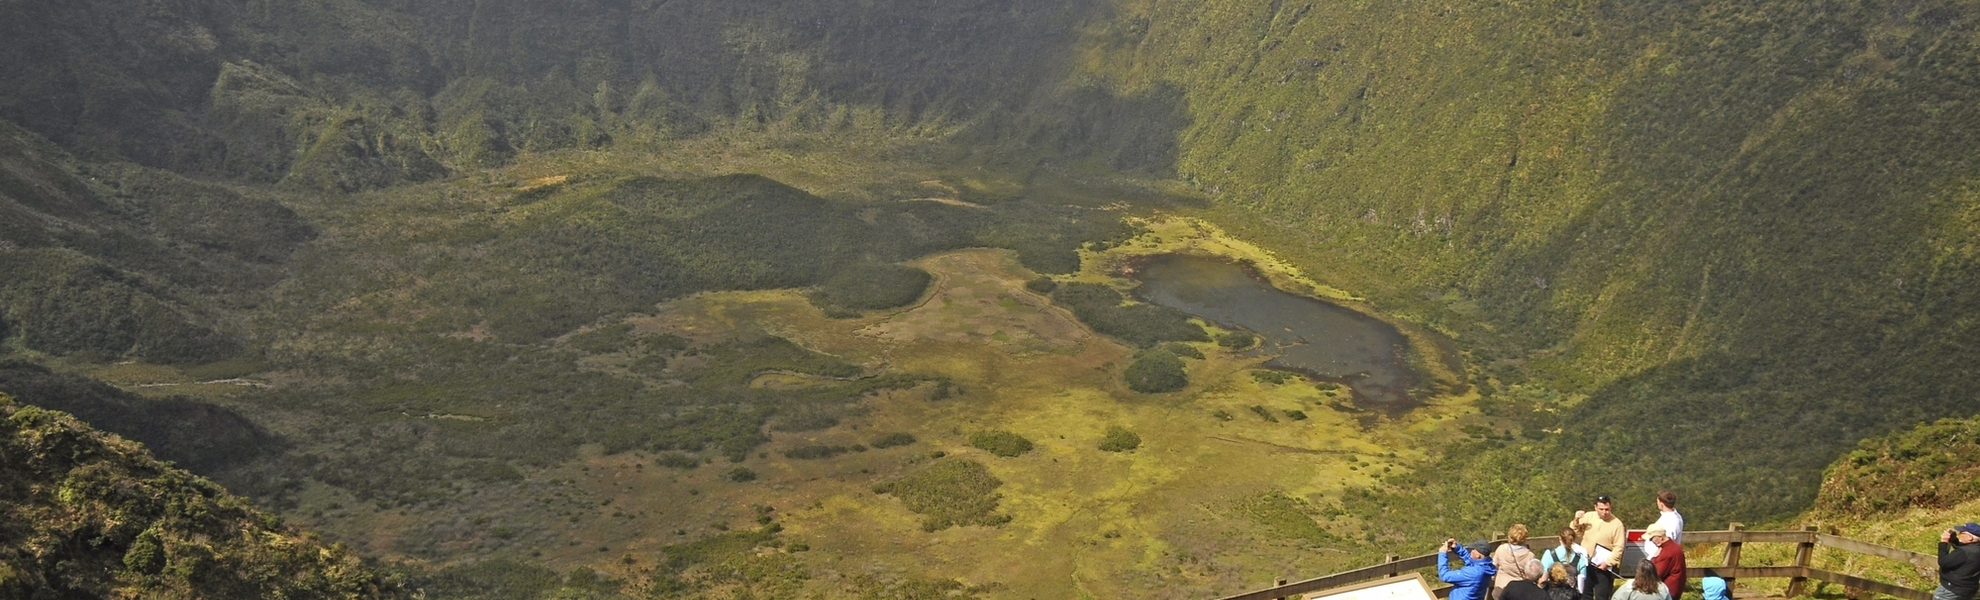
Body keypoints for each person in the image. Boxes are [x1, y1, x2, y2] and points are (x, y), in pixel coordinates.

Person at [1573, 495, 1629, 600]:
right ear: (1595, 507)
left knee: (1602, 595)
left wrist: (1608, 563)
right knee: (1585, 595)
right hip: (1586, 562)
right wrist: (1576, 520)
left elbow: (1619, 547)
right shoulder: (1588, 517)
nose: (1604, 512)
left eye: (1607, 509)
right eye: (1601, 509)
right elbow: (1575, 532)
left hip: (1604, 567)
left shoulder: (1617, 524)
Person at [1936, 523, 1980, 600]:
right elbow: (1967, 551)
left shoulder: (1963, 552)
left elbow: (1943, 562)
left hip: (1951, 589)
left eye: (1962, 533)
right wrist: (1954, 540)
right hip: (1968, 590)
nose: (1959, 534)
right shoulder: (1975, 549)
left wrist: (1944, 542)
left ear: (1970, 538)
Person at [1494, 524, 1539, 598]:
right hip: (1519, 592)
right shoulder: (1530, 556)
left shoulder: (1501, 549)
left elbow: (1493, 567)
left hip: (1500, 589)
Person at [1542, 526, 1590, 593]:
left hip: (1552, 594)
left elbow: (1543, 578)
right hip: (1571, 595)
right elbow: (1582, 579)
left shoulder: (1549, 554)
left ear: (1559, 538)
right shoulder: (1580, 558)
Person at [1645, 526, 1685, 598]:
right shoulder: (1673, 545)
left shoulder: (1667, 552)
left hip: (1668, 591)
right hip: (1675, 587)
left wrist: (1654, 558)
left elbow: (1656, 573)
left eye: (1652, 538)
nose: (1651, 541)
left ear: (1660, 537)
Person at [1644, 490, 1685, 559]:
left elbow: (1667, 544)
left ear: (1661, 503)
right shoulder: (1675, 516)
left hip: (1661, 558)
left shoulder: (1671, 521)